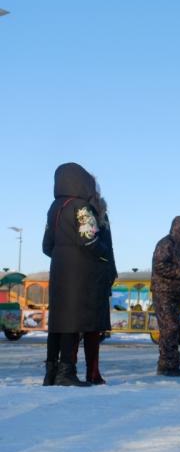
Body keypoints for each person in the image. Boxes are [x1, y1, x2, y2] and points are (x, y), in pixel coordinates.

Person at [42, 163, 113, 387]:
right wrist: (104, 255)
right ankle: (67, 373)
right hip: (81, 273)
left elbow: (46, 246)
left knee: (59, 322)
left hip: (59, 270)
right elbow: (89, 239)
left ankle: (51, 372)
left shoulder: (54, 207)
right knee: (74, 321)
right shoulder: (82, 207)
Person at [70, 194, 117, 385]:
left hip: (100, 278)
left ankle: (93, 371)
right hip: (82, 276)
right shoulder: (80, 211)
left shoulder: (103, 217)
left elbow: (110, 247)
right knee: (76, 327)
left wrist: (111, 270)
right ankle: (70, 368)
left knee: (95, 329)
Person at [151, 215, 180, 377]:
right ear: (179, 228)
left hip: (175, 295)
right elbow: (159, 265)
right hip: (164, 293)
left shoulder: (179, 246)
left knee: (173, 329)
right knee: (170, 328)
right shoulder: (166, 244)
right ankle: (167, 366)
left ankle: (170, 363)